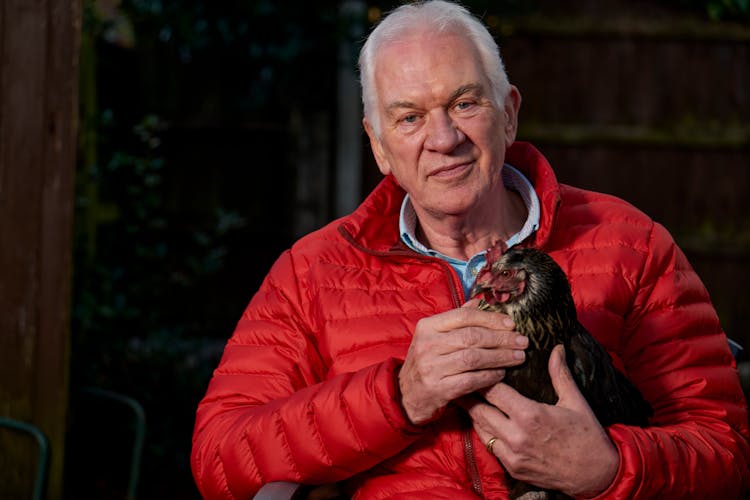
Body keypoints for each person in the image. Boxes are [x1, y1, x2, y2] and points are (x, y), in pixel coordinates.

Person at [191, 1, 750, 498]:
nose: (443, 138)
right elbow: (220, 457)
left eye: (464, 103)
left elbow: (726, 452)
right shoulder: (311, 272)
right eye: (409, 117)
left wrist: (609, 469)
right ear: (379, 147)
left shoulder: (630, 243)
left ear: (507, 113)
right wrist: (398, 397)